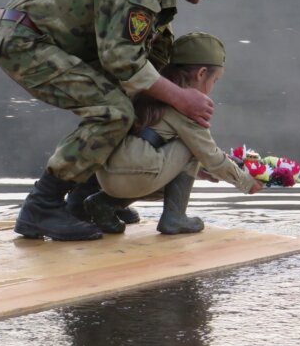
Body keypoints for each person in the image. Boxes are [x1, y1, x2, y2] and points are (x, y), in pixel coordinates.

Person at [0, 0, 252, 241]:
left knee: (130, 103)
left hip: (48, 42)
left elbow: (138, 62)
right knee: (113, 111)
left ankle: (83, 201)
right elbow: (121, 59)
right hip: (26, 42)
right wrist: (181, 98)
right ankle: (41, 208)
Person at [80, 32, 264, 235]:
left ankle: (104, 203)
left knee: (189, 151)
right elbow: (212, 157)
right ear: (202, 73)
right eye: (215, 80)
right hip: (136, 175)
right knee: (194, 147)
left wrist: (198, 170)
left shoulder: (149, 89)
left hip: (105, 177)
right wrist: (247, 183)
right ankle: (174, 218)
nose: (213, 88)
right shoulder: (190, 107)